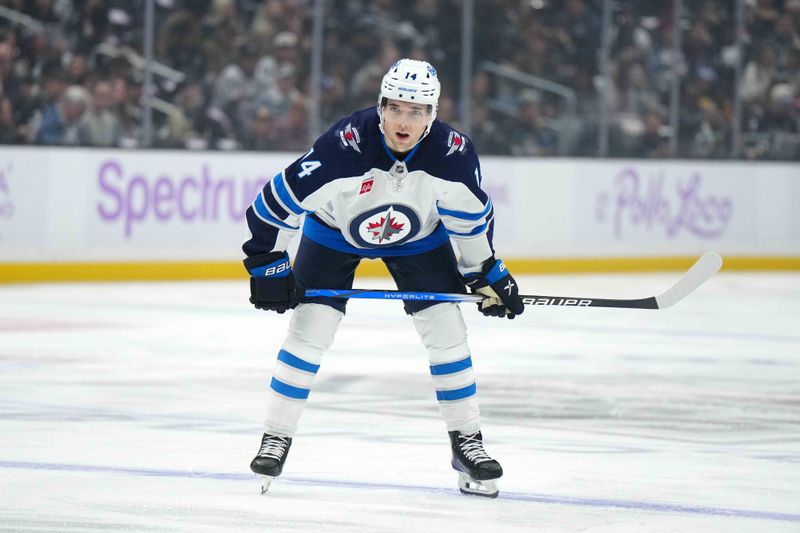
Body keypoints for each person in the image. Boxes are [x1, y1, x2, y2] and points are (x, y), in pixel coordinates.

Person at [242, 59, 524, 498]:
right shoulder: (344, 146)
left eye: (416, 111)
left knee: (448, 332)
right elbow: (275, 202)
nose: (403, 121)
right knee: (309, 330)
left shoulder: (453, 154)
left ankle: (467, 442)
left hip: (419, 241)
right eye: (395, 108)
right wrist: (266, 263)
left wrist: (485, 271)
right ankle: (275, 436)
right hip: (334, 233)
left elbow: (470, 221)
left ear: (433, 114)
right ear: (380, 106)